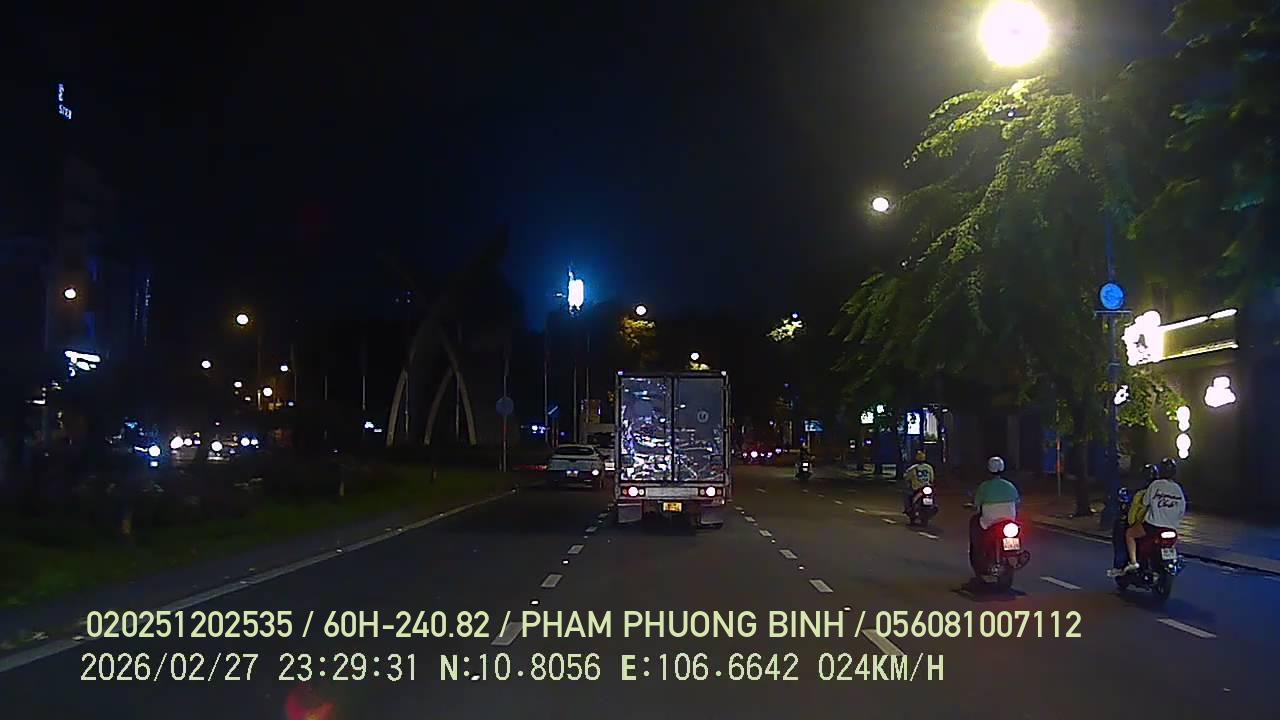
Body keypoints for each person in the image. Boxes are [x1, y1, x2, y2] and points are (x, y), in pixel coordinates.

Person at [1108, 457, 1187, 577]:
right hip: (1172, 527)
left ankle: (1133, 562)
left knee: (1129, 533)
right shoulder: (1177, 488)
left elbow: (1145, 502)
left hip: (1153, 526)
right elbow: (1182, 510)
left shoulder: (1155, 485)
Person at [970, 456, 1020, 566]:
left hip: (989, 520)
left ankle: (978, 551)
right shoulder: (1010, 486)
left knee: (975, 524)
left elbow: (977, 504)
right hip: (1009, 518)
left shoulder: (984, 486)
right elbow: (1017, 503)